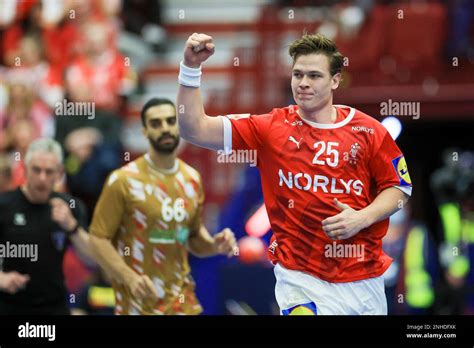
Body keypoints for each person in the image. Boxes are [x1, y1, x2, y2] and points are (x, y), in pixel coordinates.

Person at [176, 32, 412, 315]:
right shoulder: (271, 127)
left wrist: (361, 218)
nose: (303, 83)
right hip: (300, 279)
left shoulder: (369, 130)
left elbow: (400, 190)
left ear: (335, 80)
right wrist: (190, 67)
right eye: (297, 74)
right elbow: (194, 129)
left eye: (314, 76)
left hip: (363, 281)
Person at [89, 98, 237, 315]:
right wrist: (128, 277)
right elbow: (97, 238)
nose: (165, 128)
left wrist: (215, 245)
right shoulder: (123, 180)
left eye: (170, 121)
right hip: (138, 306)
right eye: (156, 124)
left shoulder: (191, 179)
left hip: (183, 303)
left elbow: (193, 238)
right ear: (145, 132)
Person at [0, 138, 93, 315]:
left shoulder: (71, 206)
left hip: (53, 306)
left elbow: (92, 260)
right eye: (36, 170)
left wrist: (71, 226)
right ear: (26, 169)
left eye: (49, 172)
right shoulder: (4, 205)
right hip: (8, 305)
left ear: (59, 173)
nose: (42, 178)